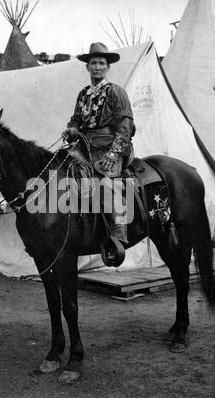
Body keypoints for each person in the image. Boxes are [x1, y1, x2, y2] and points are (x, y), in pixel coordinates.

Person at [62, 42, 136, 248]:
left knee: (106, 183)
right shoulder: (83, 94)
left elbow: (126, 124)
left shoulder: (115, 91)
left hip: (110, 146)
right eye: (93, 63)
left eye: (101, 63)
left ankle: (118, 235)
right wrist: (72, 129)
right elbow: (76, 119)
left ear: (107, 67)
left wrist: (114, 153)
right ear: (87, 67)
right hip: (85, 146)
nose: (97, 67)